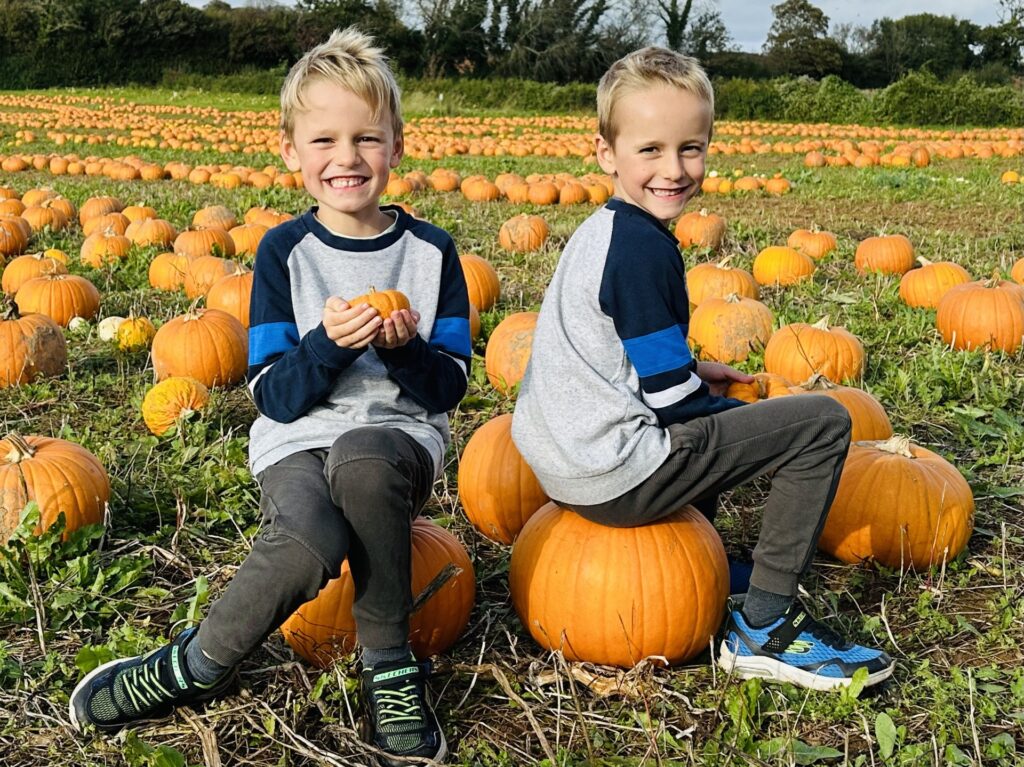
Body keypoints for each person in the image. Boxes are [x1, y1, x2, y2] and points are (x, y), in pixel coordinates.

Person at [69, 27, 470, 765]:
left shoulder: (433, 253)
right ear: (291, 151)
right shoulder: (285, 252)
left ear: (398, 145)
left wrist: (401, 347)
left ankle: (389, 661)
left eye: (366, 138)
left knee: (365, 454)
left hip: (396, 446)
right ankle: (197, 663)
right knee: (313, 536)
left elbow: (451, 384)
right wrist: (329, 342)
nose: (346, 158)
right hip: (297, 442)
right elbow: (275, 396)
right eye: (324, 139)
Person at [510, 46, 894, 692]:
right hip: (614, 473)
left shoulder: (603, 230)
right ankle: (767, 626)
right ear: (606, 153)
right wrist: (751, 426)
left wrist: (695, 378)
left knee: (712, 418)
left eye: (691, 148)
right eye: (651, 150)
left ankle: (712, 563)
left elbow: (632, 361)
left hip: (563, 463)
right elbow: (677, 406)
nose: (674, 168)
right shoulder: (641, 250)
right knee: (821, 423)